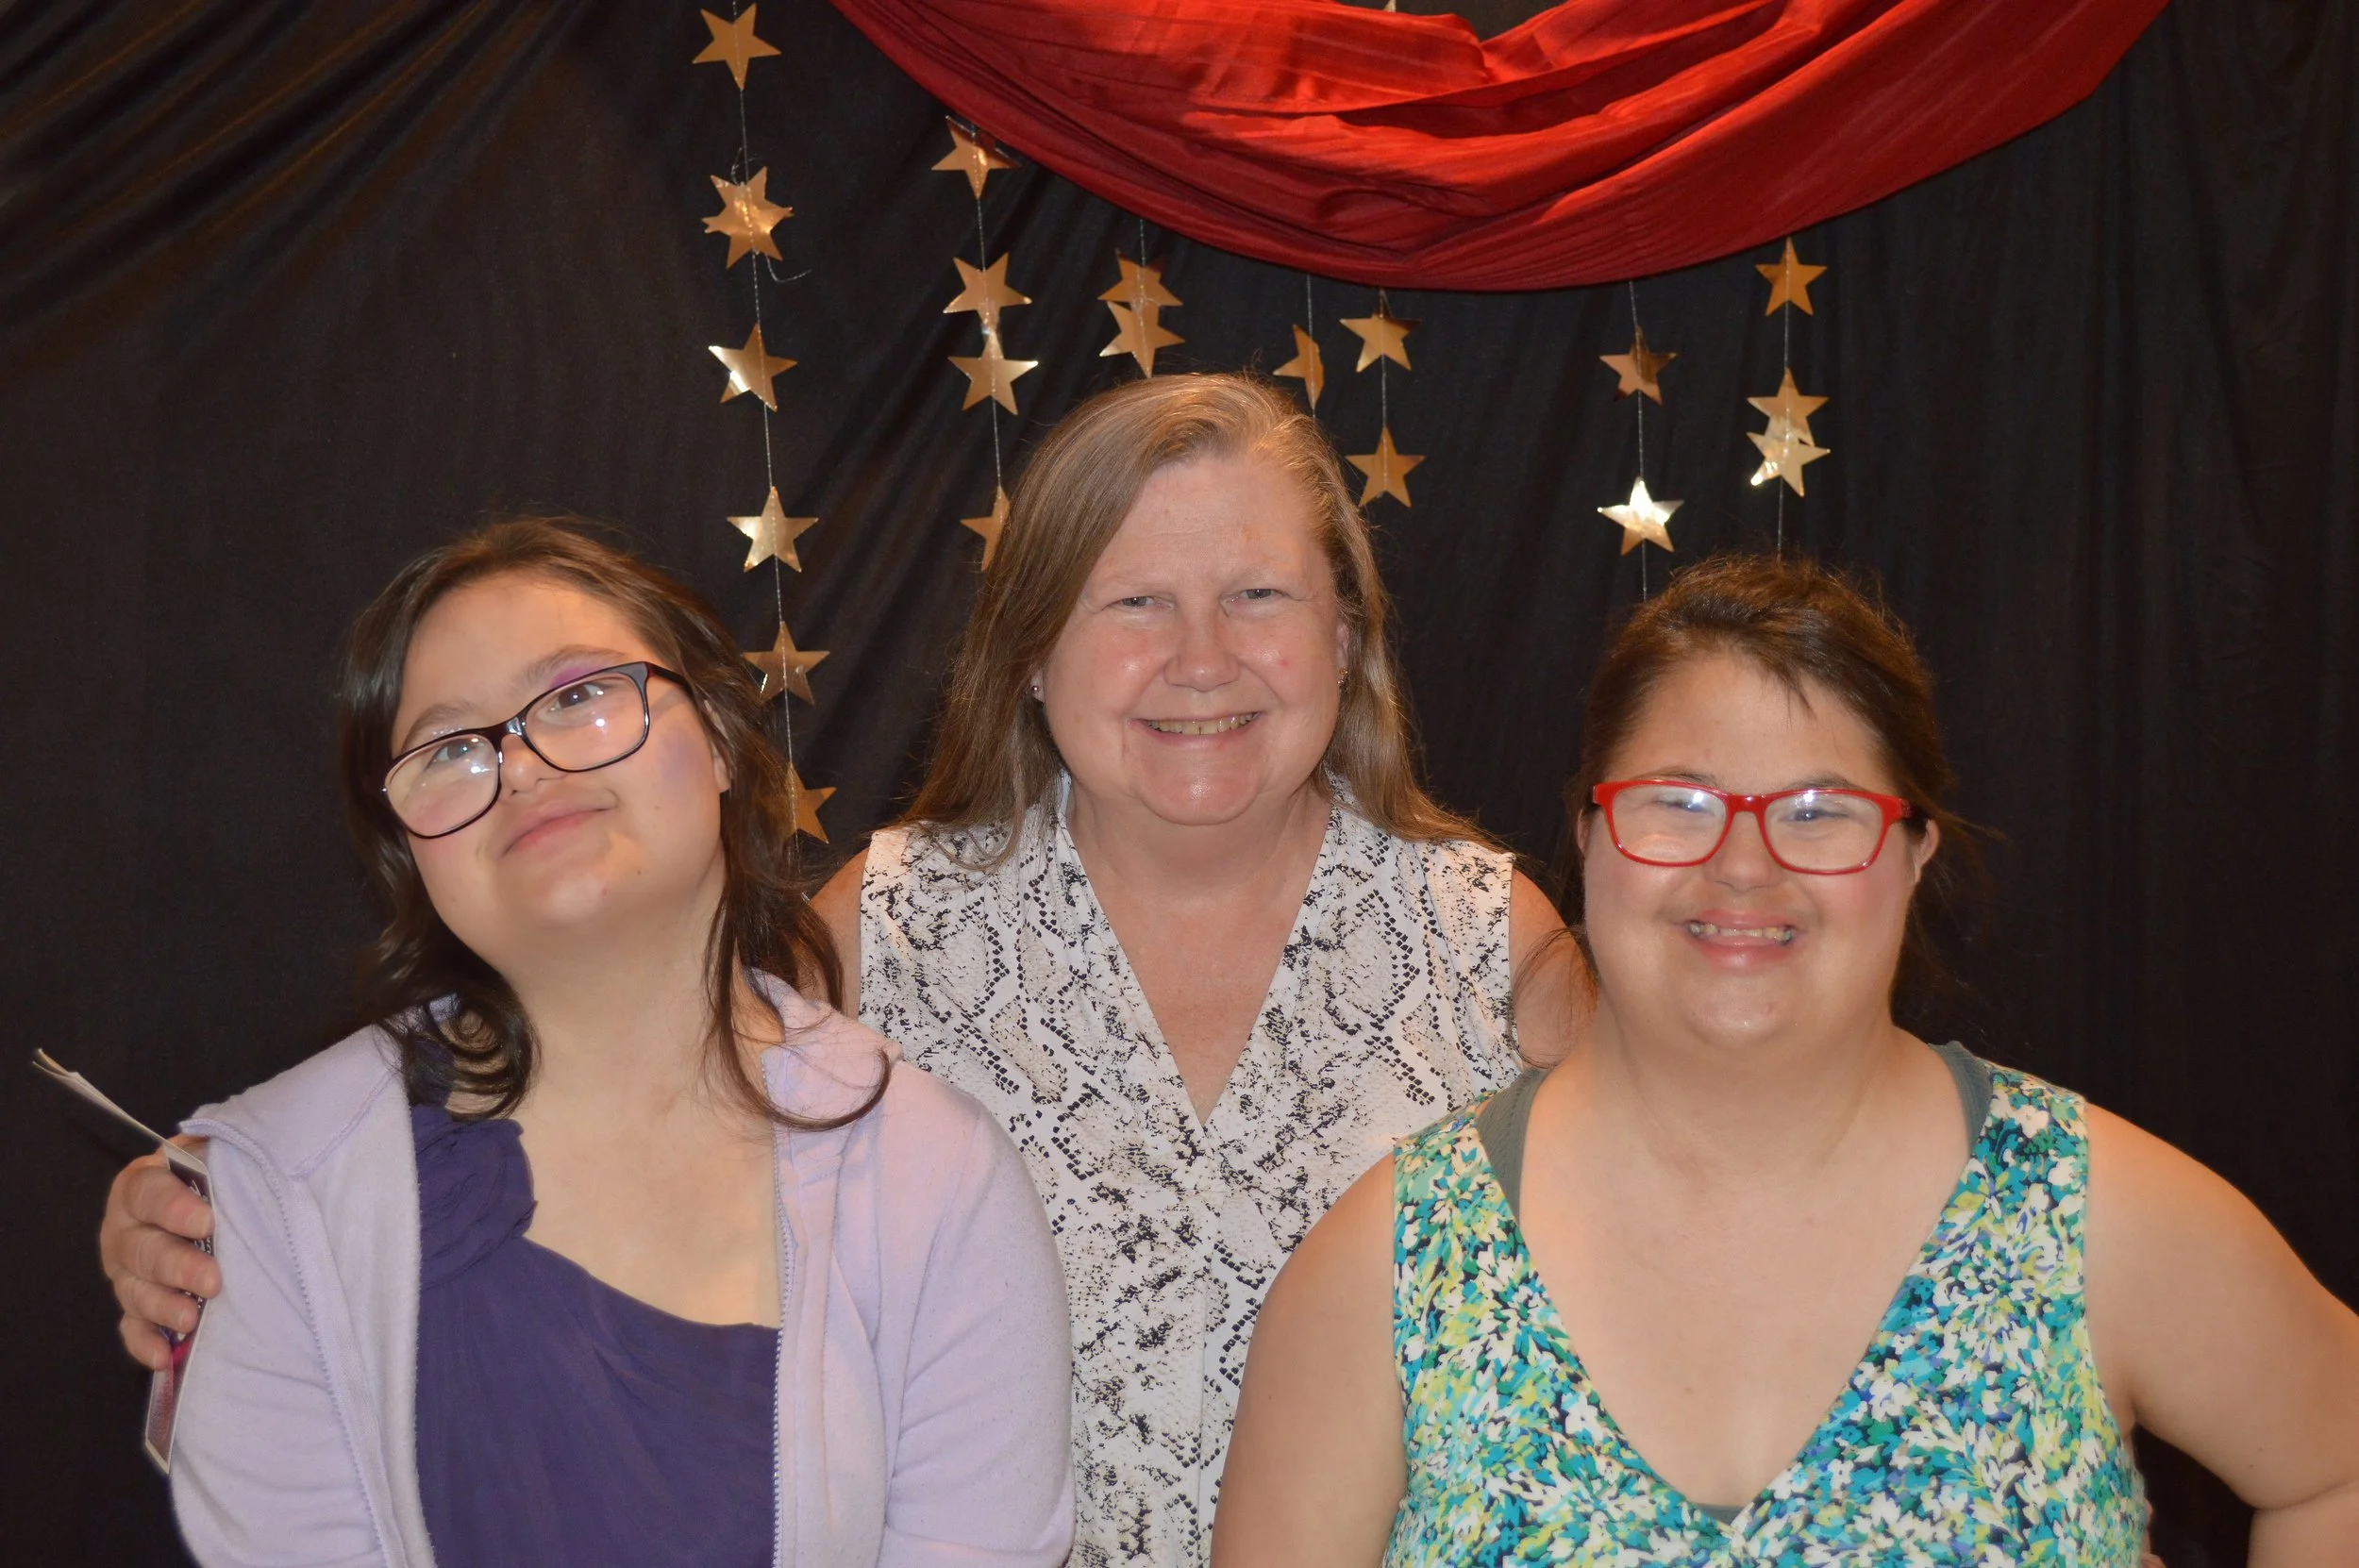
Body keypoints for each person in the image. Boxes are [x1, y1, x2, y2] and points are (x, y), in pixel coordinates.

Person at [103, 374, 1588, 1567]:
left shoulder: (1490, 942)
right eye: (1132, 601)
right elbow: (604, 1026)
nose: (1199, 657)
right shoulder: (891, 923)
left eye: (1257, 596)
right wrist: (214, 1194)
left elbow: (1713, 1216)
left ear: (1347, 635)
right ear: (1028, 653)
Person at [1214, 553, 2359, 1566]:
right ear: (1587, 835)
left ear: (1911, 856)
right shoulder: (1392, 1270)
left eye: (1818, 812)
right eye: (1677, 803)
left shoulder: (2088, 1215)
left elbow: (2334, 1466)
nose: (1745, 867)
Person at [156, 520, 1072, 1568]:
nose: (525, 767)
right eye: (452, 748)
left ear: (724, 737)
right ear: (408, 851)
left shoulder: (937, 1176)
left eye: (581, 696)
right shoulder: (279, 1194)